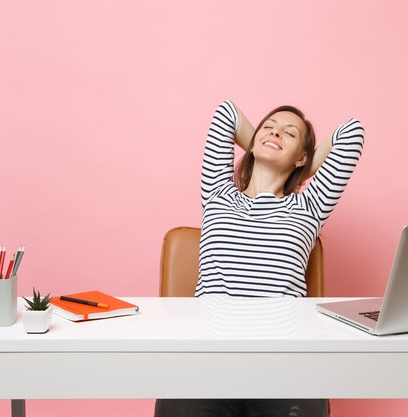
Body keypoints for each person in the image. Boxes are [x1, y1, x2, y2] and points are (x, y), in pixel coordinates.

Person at [155, 100, 364, 417]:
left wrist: (300, 165)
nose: (276, 131)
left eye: (289, 133)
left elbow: (352, 132)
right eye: (269, 127)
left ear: (302, 157)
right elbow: (226, 112)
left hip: (284, 366)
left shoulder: (308, 207)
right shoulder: (218, 193)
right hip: (207, 362)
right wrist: (267, 144)